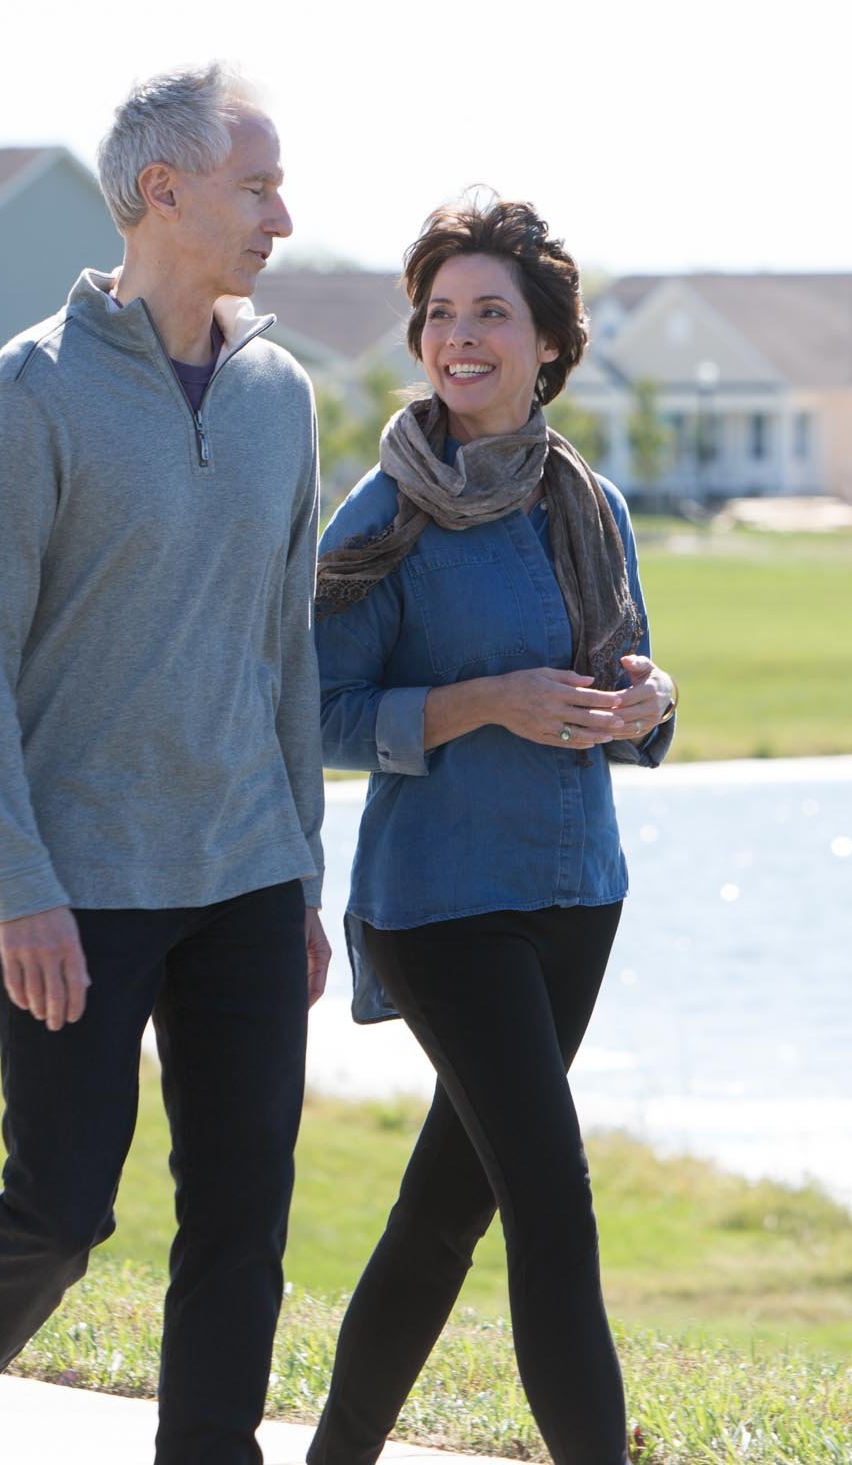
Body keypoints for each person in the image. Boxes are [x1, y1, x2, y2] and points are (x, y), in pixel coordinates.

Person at [0, 63, 334, 1465]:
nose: (284, 217)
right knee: (62, 1208)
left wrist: (303, 867)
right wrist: (19, 887)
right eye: (258, 186)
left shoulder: (281, 394)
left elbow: (288, 651)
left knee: (243, 1208)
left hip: (247, 874)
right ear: (162, 192)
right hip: (80, 887)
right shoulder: (34, 389)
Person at [307, 193, 676, 1465]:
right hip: (439, 906)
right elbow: (318, 712)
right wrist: (482, 704)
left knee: (440, 1215)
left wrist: (652, 699)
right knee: (551, 1208)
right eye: (440, 315)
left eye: (490, 315)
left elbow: (623, 689)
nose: (460, 338)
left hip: (579, 896)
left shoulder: (589, 506)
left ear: (547, 345)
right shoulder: (383, 517)